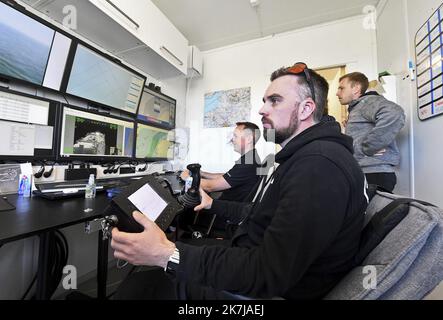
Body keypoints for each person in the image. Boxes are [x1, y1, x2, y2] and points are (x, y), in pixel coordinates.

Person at [110, 63, 368, 300]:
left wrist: (166, 253)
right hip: (250, 254)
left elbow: (268, 274)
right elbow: (261, 213)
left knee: (146, 287)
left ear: (306, 109)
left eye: (274, 101)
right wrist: (213, 206)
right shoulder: (304, 158)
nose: (261, 109)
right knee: (170, 261)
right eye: (264, 100)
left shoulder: (318, 166)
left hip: (265, 291)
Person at [336, 72, 406, 192]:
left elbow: (395, 113)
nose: (337, 93)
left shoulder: (367, 102)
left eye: (342, 88)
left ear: (356, 88)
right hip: (368, 173)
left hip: (374, 174)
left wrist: (370, 146)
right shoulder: (359, 107)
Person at [180, 122, 262, 202]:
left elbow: (210, 186)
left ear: (249, 139)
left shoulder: (248, 163)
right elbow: (227, 177)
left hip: (226, 212)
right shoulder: (250, 158)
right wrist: (203, 173)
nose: (232, 139)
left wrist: (187, 178)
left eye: (235, 136)